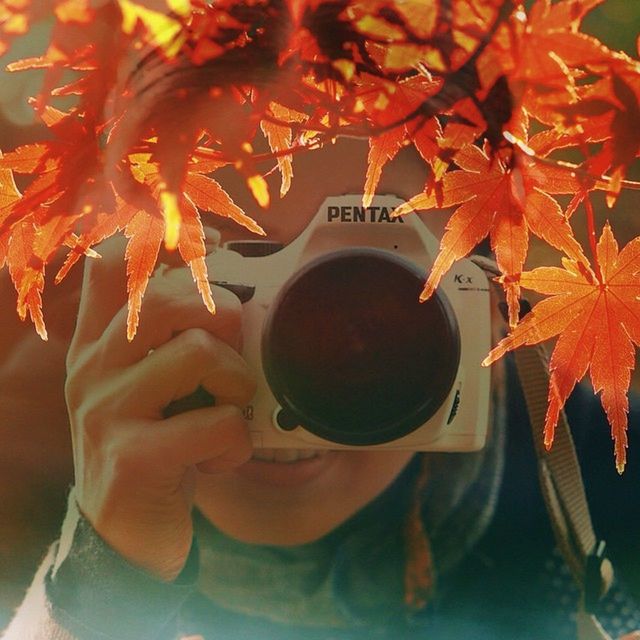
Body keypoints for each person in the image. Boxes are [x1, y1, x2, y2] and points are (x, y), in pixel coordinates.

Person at [2, 17, 640, 640]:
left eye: (360, 282)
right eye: (224, 266)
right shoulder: (21, 466)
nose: (303, 347)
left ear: (490, 284)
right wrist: (101, 581)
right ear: (121, 267)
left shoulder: (607, 476)